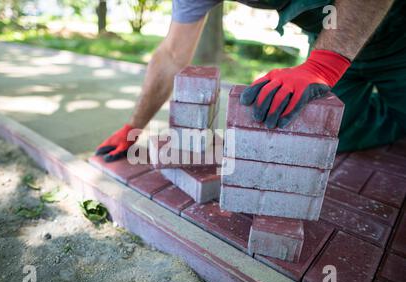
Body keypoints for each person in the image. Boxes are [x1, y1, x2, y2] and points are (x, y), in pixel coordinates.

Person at [96, 0, 406, 162]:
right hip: (333, 40)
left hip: (397, 36)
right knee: (336, 133)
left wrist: (324, 65)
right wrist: (134, 126)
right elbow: (172, 55)